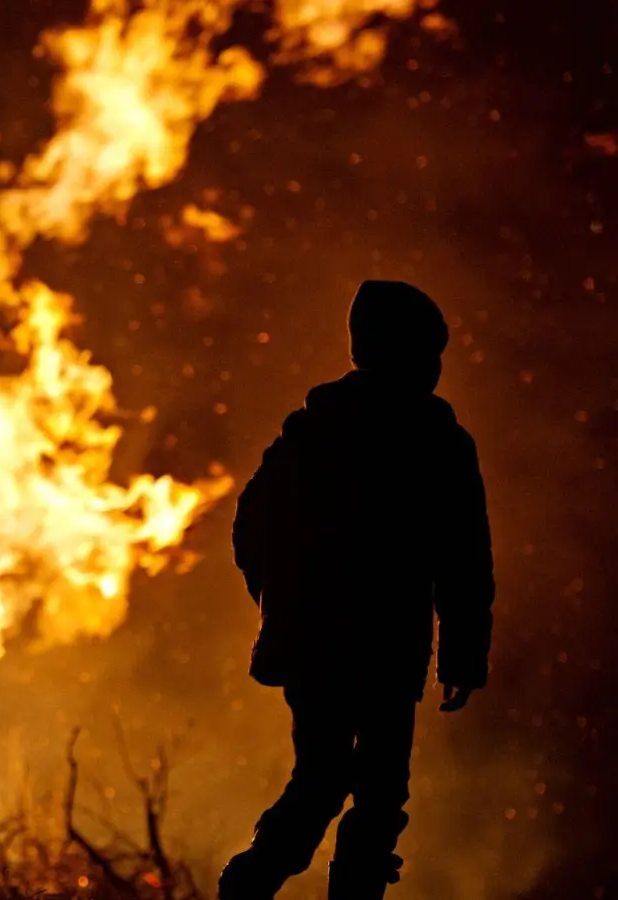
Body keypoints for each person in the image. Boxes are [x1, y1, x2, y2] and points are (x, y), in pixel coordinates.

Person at [217, 281, 495, 900]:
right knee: (376, 792)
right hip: (388, 650)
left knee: (322, 779)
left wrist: (279, 604)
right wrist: (463, 655)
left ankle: (250, 883)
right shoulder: (438, 441)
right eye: (430, 351)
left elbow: (250, 528)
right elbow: (463, 559)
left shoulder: (313, 432)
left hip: (317, 646)